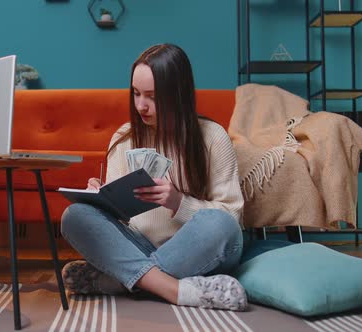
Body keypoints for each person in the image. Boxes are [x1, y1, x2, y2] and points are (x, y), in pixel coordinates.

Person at [60, 43, 247, 311]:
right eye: (135, 94)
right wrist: (100, 198)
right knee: (75, 216)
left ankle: (117, 281)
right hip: (138, 245)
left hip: (198, 250)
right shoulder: (124, 138)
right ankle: (172, 289)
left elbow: (232, 218)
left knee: (220, 224)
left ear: (177, 94)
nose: (140, 105)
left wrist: (179, 203)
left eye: (152, 96)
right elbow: (118, 218)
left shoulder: (213, 137)